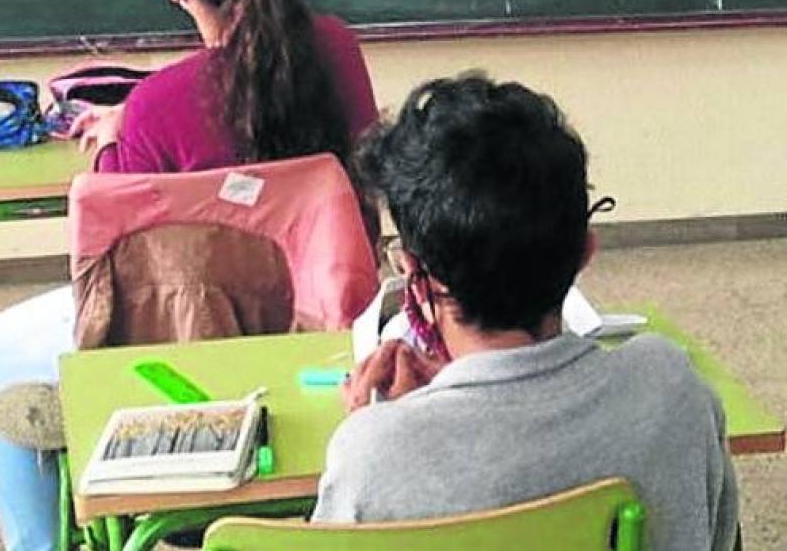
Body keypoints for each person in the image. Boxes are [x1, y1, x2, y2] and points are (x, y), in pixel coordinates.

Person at [0, 0, 378, 551]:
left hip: (185, 353)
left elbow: (108, 263)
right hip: (328, 334)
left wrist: (117, 135)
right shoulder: (337, 49)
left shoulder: (159, 106)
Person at [313, 73, 739, 551]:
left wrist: (378, 422)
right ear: (584, 252)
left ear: (418, 275)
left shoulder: (372, 454)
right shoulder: (672, 388)